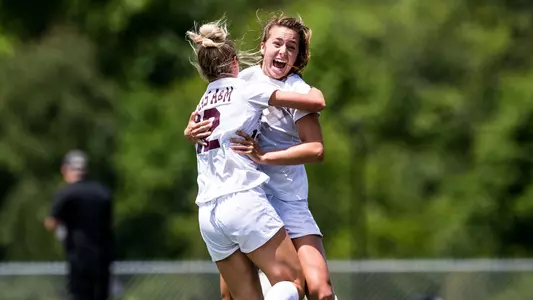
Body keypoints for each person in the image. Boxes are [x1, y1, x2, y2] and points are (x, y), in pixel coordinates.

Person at [185, 15, 336, 300]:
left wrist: (266, 157)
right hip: (250, 196)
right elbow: (214, 118)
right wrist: (190, 129)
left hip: (284, 199)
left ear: (298, 57)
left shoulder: (296, 89)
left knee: (319, 290)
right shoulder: (244, 80)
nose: (283, 51)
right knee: (234, 295)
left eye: (292, 48)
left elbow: (316, 148)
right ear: (263, 46)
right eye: (277, 43)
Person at [44, 150, 114, 300]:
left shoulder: (67, 193)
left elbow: (52, 222)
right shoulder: (103, 192)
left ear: (65, 169)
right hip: (103, 255)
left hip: (79, 256)